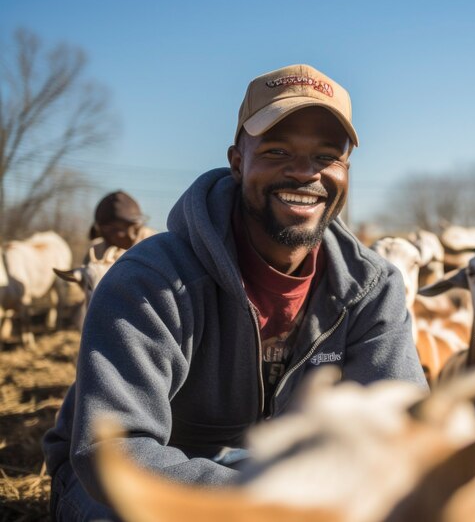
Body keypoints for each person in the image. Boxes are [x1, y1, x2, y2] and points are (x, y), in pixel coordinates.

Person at [43, 64, 426, 520]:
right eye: (278, 150)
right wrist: (272, 500)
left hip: (294, 484)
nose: (305, 173)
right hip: (146, 482)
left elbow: (404, 434)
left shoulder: (370, 290)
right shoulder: (150, 281)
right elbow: (114, 451)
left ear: (345, 169)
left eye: (327, 155)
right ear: (238, 161)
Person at [86, 190, 156, 262]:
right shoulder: (96, 252)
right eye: (109, 228)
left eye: (125, 226)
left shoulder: (155, 247)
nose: (119, 234)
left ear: (136, 227)